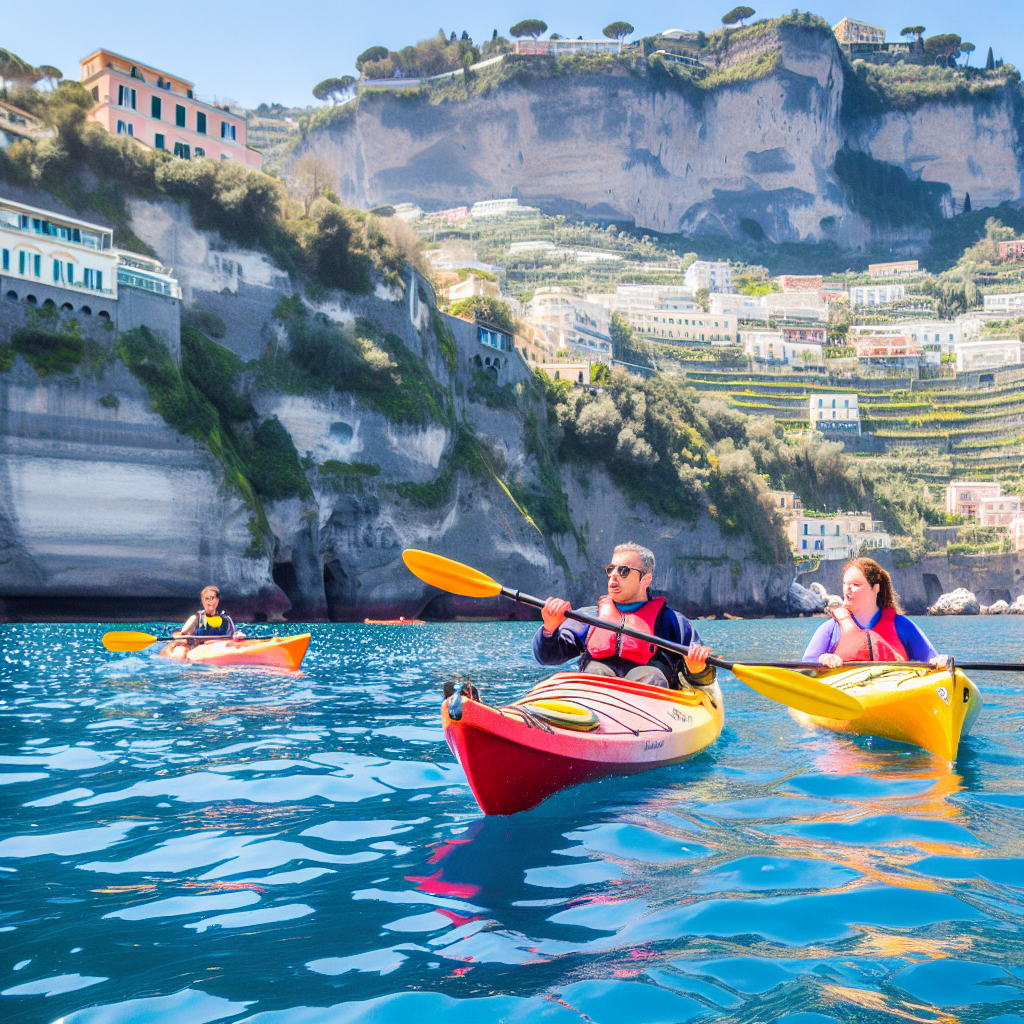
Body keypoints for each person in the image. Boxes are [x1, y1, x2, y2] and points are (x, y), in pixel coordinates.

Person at [534, 542, 714, 689]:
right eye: (611, 569)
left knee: (649, 676)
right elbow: (547, 657)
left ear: (645, 579)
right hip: (597, 704)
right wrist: (550, 628)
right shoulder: (589, 617)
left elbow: (703, 680)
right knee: (596, 670)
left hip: (652, 708)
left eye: (623, 571)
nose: (613, 575)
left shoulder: (672, 622)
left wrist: (697, 669)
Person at [802, 557, 947, 668]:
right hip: (845, 696)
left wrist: (936, 662)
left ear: (876, 588)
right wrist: (822, 661)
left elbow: (931, 660)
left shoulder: (902, 626)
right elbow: (804, 670)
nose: (848, 589)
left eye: (856, 585)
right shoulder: (830, 629)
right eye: (845, 584)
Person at [172, 586, 244, 644]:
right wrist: (181, 639)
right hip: (201, 649)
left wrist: (238, 635)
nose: (210, 601)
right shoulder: (196, 618)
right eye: (207, 599)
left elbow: (234, 633)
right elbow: (179, 633)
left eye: (212, 598)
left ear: (217, 600)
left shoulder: (226, 619)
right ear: (202, 600)